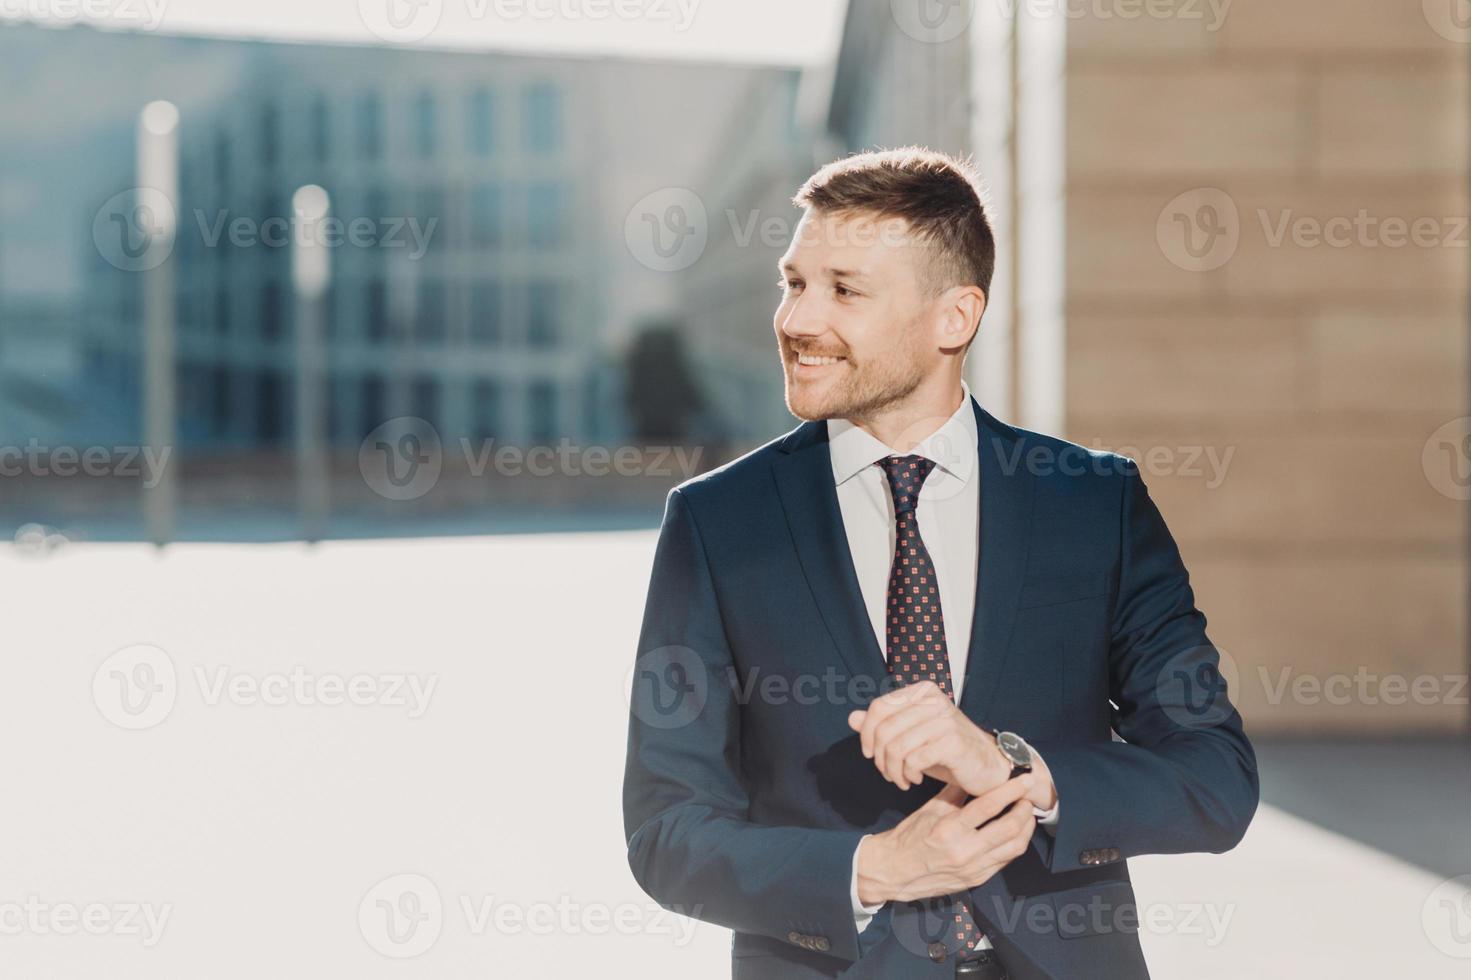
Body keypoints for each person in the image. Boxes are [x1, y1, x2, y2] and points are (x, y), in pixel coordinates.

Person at [622, 147, 1257, 979]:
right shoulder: (716, 523)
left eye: (844, 289)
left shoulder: (1092, 503)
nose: (796, 319)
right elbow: (665, 830)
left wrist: (1010, 769)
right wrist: (874, 869)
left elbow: (1213, 778)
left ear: (953, 318)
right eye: (794, 282)